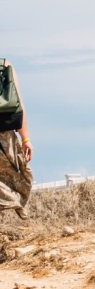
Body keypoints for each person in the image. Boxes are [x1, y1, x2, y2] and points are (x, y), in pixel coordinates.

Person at [0, 61, 33, 219]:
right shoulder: (5, 66)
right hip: (5, 138)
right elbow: (19, 106)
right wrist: (25, 138)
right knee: (12, 180)